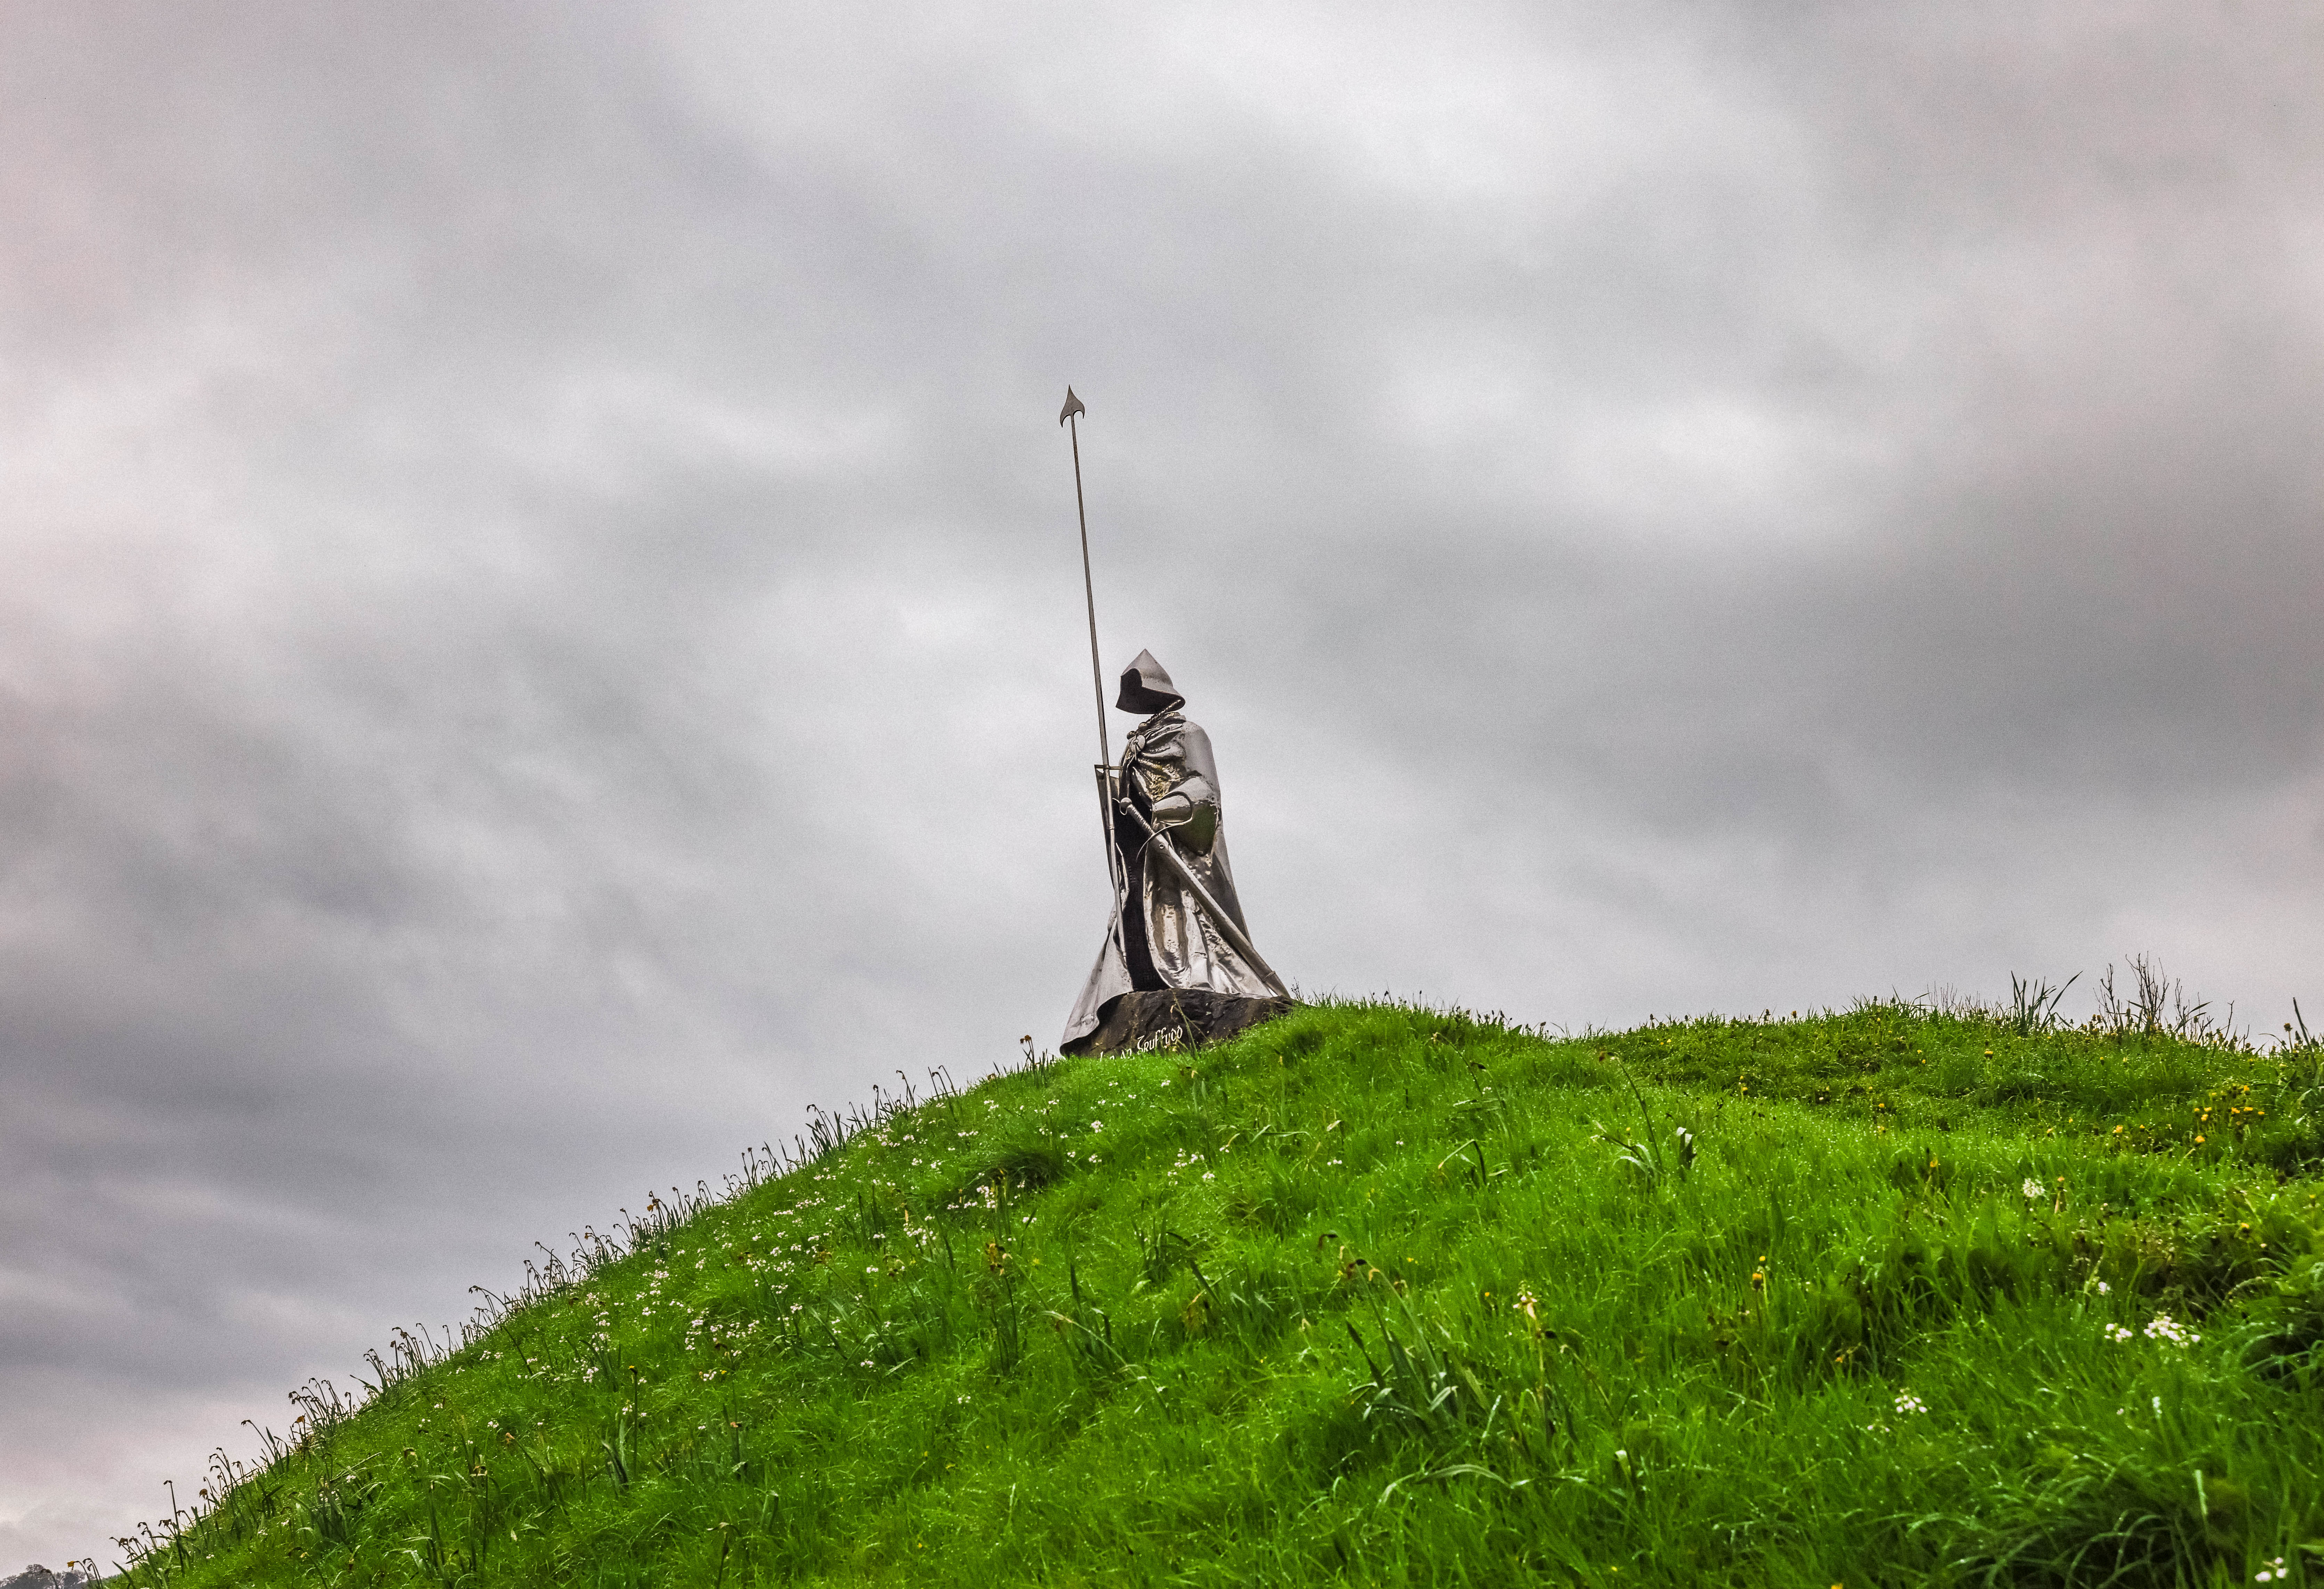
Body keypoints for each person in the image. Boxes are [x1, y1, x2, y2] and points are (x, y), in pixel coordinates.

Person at [1063, 651, 1288, 1054]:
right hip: (1141, 855)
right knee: (1132, 920)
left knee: (1189, 926)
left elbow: (1205, 793)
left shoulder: (1188, 734)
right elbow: (1129, 796)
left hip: (1178, 850)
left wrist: (1162, 810)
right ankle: (1134, 991)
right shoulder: (1136, 746)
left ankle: (1201, 983)